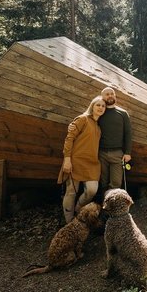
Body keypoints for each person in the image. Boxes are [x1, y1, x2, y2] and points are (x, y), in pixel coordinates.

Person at [58, 95, 105, 223]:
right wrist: (67, 159)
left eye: (103, 106)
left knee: (91, 190)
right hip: (75, 160)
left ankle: (78, 210)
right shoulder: (82, 119)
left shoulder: (98, 127)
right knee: (71, 191)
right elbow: (69, 138)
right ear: (92, 106)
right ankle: (69, 222)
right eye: (98, 105)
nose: (100, 108)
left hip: (92, 163)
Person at [98, 86, 132, 193]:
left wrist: (128, 152)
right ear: (102, 97)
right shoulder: (99, 112)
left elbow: (128, 133)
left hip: (118, 153)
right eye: (107, 94)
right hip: (101, 153)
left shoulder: (123, 113)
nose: (110, 96)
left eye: (112, 93)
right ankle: (104, 205)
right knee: (103, 182)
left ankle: (113, 207)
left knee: (116, 183)